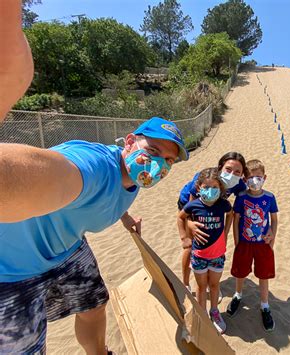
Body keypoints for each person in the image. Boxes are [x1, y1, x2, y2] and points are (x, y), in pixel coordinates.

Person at [0, 116, 189, 354]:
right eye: (152, 150)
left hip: (69, 248)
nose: (158, 164)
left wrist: (126, 216)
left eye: (168, 160)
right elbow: (57, 174)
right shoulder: (94, 165)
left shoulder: (132, 177)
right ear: (129, 142)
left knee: (94, 305)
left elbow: (111, 193)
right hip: (10, 270)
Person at [177, 152, 248, 293]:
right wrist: (190, 224)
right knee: (191, 245)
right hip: (190, 206)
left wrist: (225, 232)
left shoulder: (238, 184)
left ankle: (211, 284)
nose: (232, 174)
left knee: (212, 246)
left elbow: (234, 210)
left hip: (214, 208)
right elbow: (190, 204)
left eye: (237, 172)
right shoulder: (205, 178)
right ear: (220, 167)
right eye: (228, 169)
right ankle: (185, 283)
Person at [177, 168, 233, 334]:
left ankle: (214, 311)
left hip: (217, 254)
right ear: (199, 187)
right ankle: (202, 314)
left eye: (214, 187)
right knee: (201, 287)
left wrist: (226, 232)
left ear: (220, 188)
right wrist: (184, 237)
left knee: (214, 285)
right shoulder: (193, 205)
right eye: (206, 187)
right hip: (199, 255)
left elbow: (230, 215)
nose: (210, 190)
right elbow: (180, 217)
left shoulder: (224, 204)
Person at [226, 159, 279, 332]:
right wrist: (236, 241)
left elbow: (274, 219)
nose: (254, 180)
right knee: (240, 271)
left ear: (264, 177)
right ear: (244, 180)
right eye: (250, 177)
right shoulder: (241, 197)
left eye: (257, 177)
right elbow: (236, 219)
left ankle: (264, 305)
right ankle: (237, 295)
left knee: (263, 274)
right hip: (244, 243)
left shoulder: (269, 197)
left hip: (263, 244)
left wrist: (272, 237)